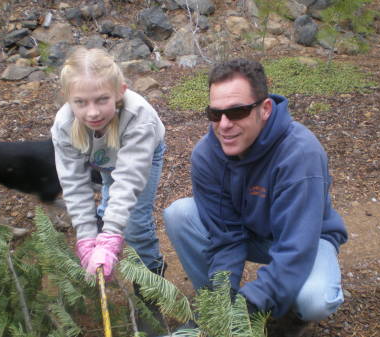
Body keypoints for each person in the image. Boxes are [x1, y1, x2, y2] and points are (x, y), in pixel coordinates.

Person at [164, 58, 348, 336]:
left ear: (264, 109)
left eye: (236, 112)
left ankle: (290, 316)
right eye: (215, 114)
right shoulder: (207, 154)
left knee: (316, 300)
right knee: (179, 214)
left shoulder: (300, 153)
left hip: (308, 239)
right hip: (251, 234)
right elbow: (226, 238)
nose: (224, 125)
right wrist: (226, 300)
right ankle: (215, 306)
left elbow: (296, 248)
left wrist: (252, 302)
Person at [51, 47, 166, 282]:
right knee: (107, 204)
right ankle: (103, 255)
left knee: (135, 223)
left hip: (143, 155)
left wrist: (111, 235)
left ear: (119, 92)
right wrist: (86, 237)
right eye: (80, 102)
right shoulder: (64, 125)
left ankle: (151, 283)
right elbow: (74, 183)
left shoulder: (138, 117)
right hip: (102, 157)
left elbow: (129, 179)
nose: (92, 112)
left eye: (102, 99)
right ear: (67, 98)